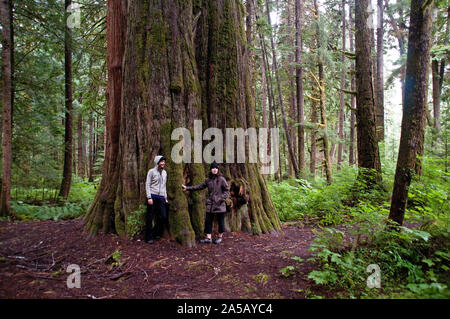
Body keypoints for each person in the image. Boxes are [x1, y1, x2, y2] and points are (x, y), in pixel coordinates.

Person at [182, 161, 230, 244]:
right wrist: (187, 188)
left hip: (220, 204)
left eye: (216, 168)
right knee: (208, 221)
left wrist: (220, 198)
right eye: (213, 168)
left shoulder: (222, 179)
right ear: (210, 169)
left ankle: (220, 237)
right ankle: (208, 238)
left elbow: (227, 191)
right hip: (210, 204)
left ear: (218, 169)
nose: (214, 169)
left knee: (221, 221)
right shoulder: (208, 180)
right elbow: (199, 187)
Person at [145, 155, 169, 244]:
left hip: (161, 197)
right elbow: (147, 184)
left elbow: (164, 186)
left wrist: (165, 198)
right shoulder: (151, 172)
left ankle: (155, 233)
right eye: (161, 161)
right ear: (157, 162)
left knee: (163, 216)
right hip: (153, 196)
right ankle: (148, 237)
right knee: (150, 217)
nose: (163, 163)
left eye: (164, 161)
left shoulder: (165, 173)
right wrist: (149, 197)